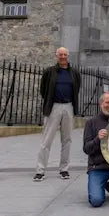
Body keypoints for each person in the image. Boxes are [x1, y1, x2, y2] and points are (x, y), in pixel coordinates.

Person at [34, 47, 81, 182]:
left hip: (68, 106)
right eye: (60, 54)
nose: (63, 57)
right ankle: (40, 170)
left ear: (68, 56)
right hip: (54, 106)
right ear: (57, 56)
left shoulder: (74, 73)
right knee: (46, 140)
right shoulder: (49, 71)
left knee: (67, 140)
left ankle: (64, 169)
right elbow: (43, 90)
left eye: (65, 54)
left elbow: (77, 88)